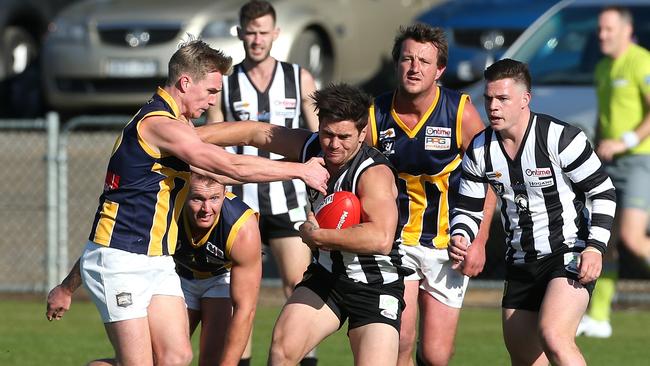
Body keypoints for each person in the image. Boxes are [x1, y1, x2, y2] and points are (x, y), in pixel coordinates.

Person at [45, 39, 328, 366]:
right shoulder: (158, 125)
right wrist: (300, 171)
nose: (213, 100)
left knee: (177, 358)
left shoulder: (179, 126)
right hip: (120, 262)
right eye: (210, 91)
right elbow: (228, 165)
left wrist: (311, 146)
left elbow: (242, 141)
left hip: (157, 261)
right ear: (184, 83)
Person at [198, 83, 409, 366]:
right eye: (327, 134)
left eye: (344, 137)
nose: (334, 144)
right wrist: (188, 137)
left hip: (375, 285)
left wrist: (319, 237)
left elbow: (381, 238)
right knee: (282, 351)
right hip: (327, 277)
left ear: (362, 134)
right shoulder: (311, 146)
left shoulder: (373, 173)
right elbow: (254, 132)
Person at [448, 59, 616, 365]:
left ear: (526, 99)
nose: (493, 107)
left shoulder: (561, 138)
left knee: (554, 335)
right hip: (520, 262)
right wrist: (461, 235)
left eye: (503, 99)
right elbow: (468, 207)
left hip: (568, 253)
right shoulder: (479, 149)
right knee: (524, 357)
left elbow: (603, 191)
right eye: (489, 99)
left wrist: (595, 247)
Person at [367, 23, 496, 365]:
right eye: (407, 59)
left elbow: (490, 178)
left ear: (439, 70)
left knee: (436, 356)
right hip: (396, 243)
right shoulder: (375, 115)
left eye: (424, 61)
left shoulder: (460, 111)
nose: (414, 68)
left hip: (447, 245)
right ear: (396, 63)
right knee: (400, 341)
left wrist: (479, 241)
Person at [47, 173, 262, 366]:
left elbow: (245, 309)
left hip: (219, 280)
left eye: (214, 198)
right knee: (152, 360)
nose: (207, 209)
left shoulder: (241, 227)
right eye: (198, 199)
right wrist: (67, 288)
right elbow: (110, 244)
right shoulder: (164, 210)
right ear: (184, 192)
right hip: (177, 277)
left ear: (225, 193)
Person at [206, 2, 319, 363]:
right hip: (242, 204)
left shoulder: (298, 77)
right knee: (242, 295)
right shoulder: (225, 83)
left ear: (276, 34)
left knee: (300, 287)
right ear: (240, 34)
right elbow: (213, 139)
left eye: (263, 32)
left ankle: (305, 359)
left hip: (289, 199)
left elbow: (318, 139)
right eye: (250, 32)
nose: (257, 39)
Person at [578, 5, 650, 339]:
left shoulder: (641, 61)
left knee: (634, 240)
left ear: (625, 29)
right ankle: (600, 317)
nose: (602, 35)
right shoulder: (603, 68)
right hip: (610, 164)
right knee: (605, 241)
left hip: (639, 161)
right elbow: (604, 118)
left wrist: (625, 141)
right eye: (600, 30)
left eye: (608, 29)